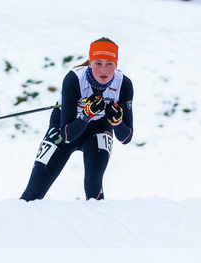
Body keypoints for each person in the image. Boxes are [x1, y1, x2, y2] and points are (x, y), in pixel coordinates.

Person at [20, 38, 134, 201]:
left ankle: (98, 224)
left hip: (99, 128)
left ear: (116, 65)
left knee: (94, 191)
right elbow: (67, 136)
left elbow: (126, 138)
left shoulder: (124, 84)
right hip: (67, 126)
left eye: (109, 63)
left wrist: (116, 122)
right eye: (98, 63)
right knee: (33, 193)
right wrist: (86, 115)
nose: (104, 70)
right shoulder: (74, 79)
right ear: (90, 63)